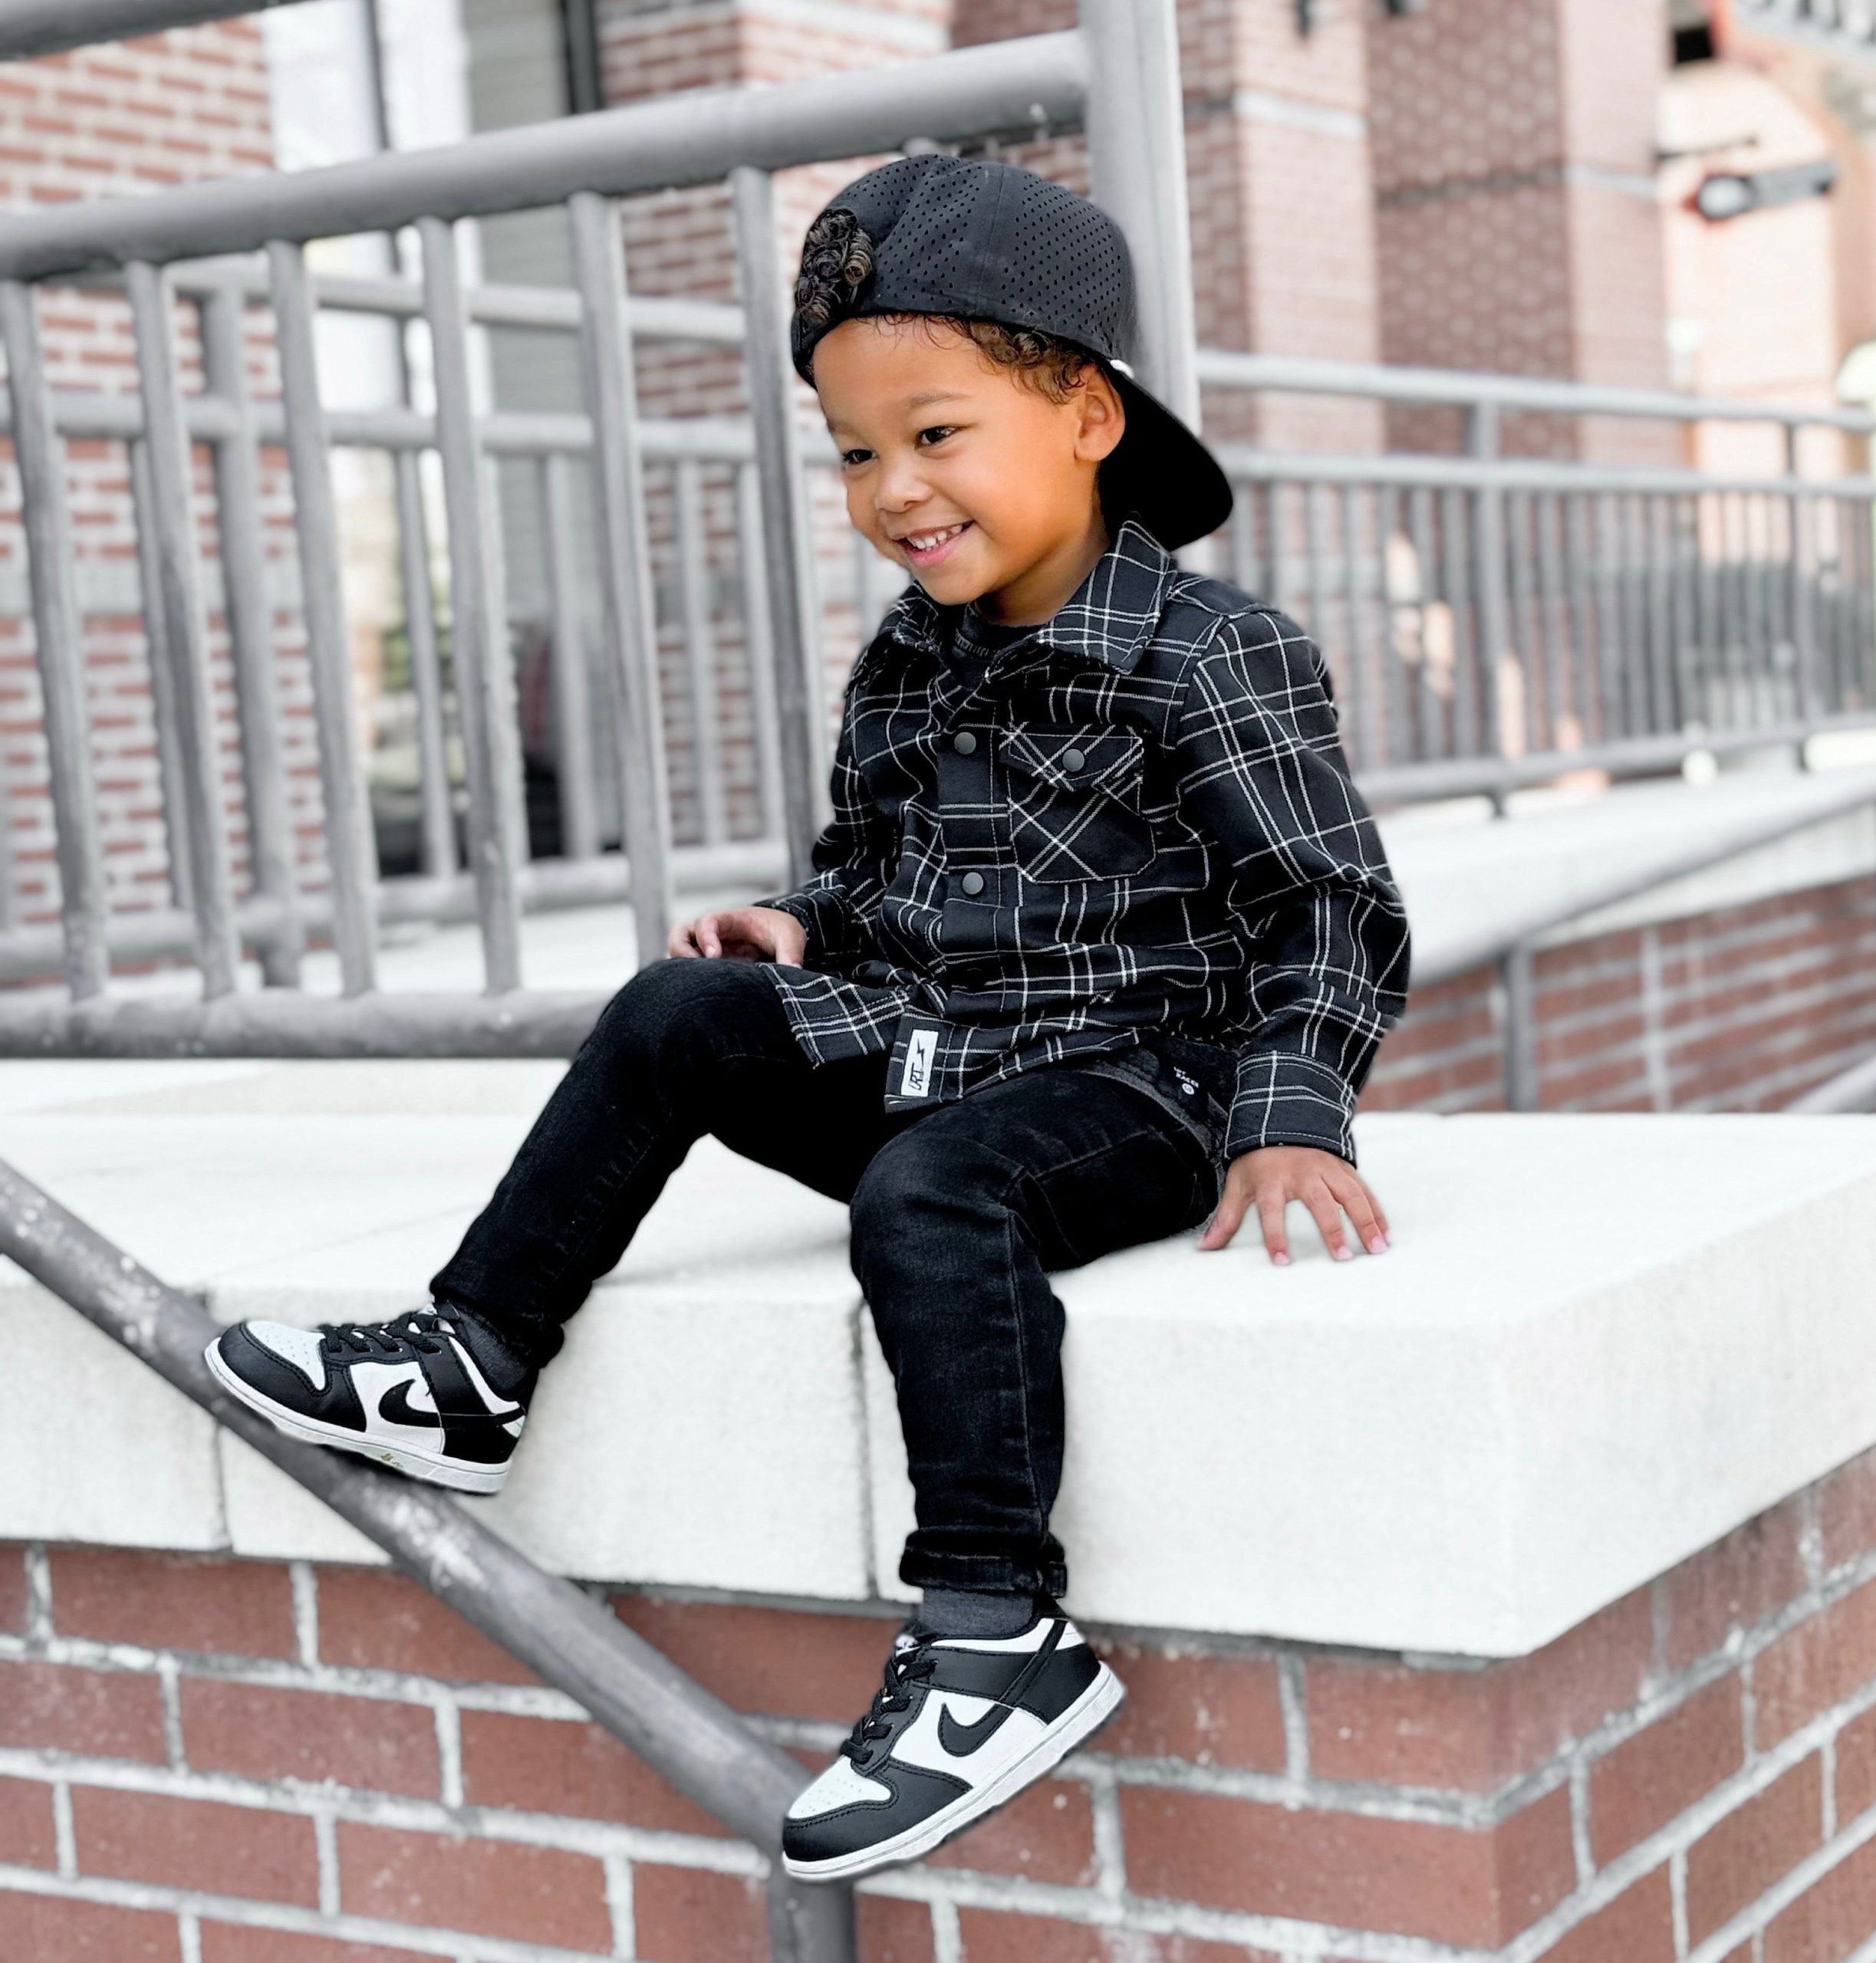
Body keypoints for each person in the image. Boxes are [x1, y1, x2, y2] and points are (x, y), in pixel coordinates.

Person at [202, 155, 1411, 1882]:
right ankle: (471, 1364)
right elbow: (873, 869)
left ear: (1086, 415)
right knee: (679, 1006)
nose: (893, 490)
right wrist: (800, 924)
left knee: (937, 1191)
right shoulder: (908, 658)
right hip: (941, 1048)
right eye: (853, 452)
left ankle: (996, 1631)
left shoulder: (1208, 652)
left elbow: (1325, 900)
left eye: (936, 433)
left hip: (1144, 1087)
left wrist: (1292, 1112)